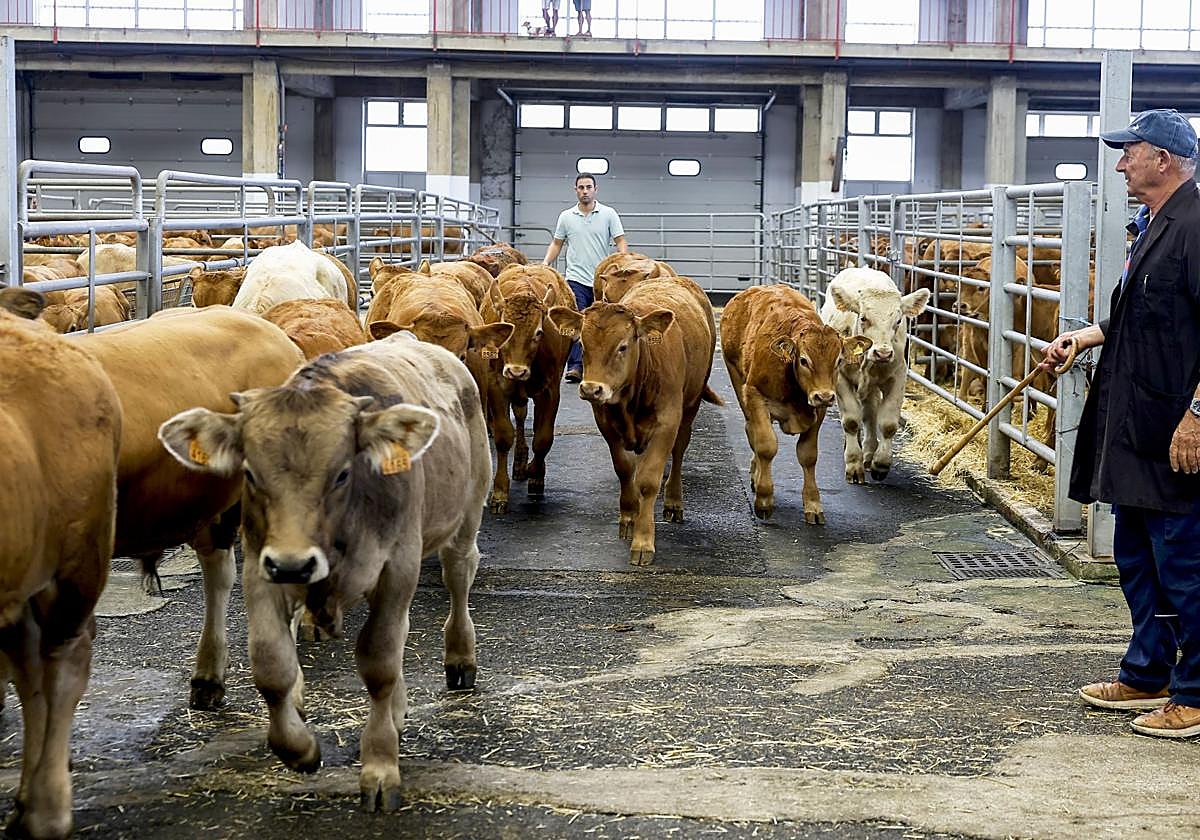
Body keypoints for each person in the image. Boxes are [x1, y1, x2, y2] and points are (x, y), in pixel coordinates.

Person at [1042, 109, 1200, 738]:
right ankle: (1148, 671)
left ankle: (1196, 693)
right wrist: (1085, 337)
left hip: (1176, 430)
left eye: (1129, 152)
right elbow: (1151, 313)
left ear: (1163, 159)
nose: (1119, 165)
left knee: (1183, 564)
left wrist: (1197, 416)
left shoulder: (1196, 224)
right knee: (1137, 556)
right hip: (1136, 424)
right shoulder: (1154, 223)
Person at [543, 172, 627, 382]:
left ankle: (600, 365)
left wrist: (623, 262)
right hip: (576, 278)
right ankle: (575, 366)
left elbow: (620, 240)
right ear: (576, 190)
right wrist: (545, 264)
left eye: (589, 187)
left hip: (602, 281)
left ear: (595, 190)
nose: (585, 191)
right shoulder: (566, 217)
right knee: (578, 321)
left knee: (600, 324)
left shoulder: (608, 214)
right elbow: (557, 243)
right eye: (581, 188)